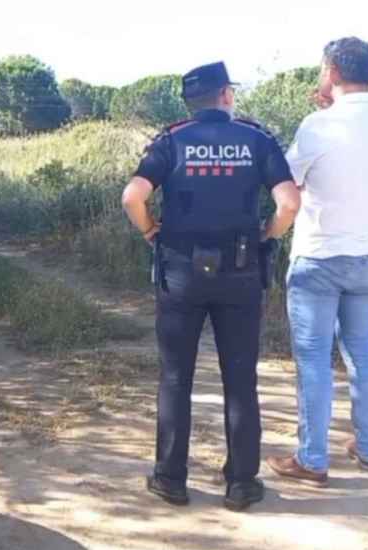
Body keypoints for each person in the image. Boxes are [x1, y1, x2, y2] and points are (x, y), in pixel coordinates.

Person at [122, 62, 301, 511]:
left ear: (190, 102)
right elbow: (289, 203)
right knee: (240, 379)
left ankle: (170, 479)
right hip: (240, 272)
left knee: (175, 377)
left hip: (180, 272)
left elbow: (133, 197)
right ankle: (241, 483)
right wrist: (268, 235)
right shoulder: (256, 139)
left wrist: (149, 232)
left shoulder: (171, 140)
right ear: (225, 95)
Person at [266, 37, 368, 486]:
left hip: (322, 253)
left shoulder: (318, 125)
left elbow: (289, 186)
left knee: (313, 359)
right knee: (363, 350)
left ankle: (312, 457)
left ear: (331, 71)